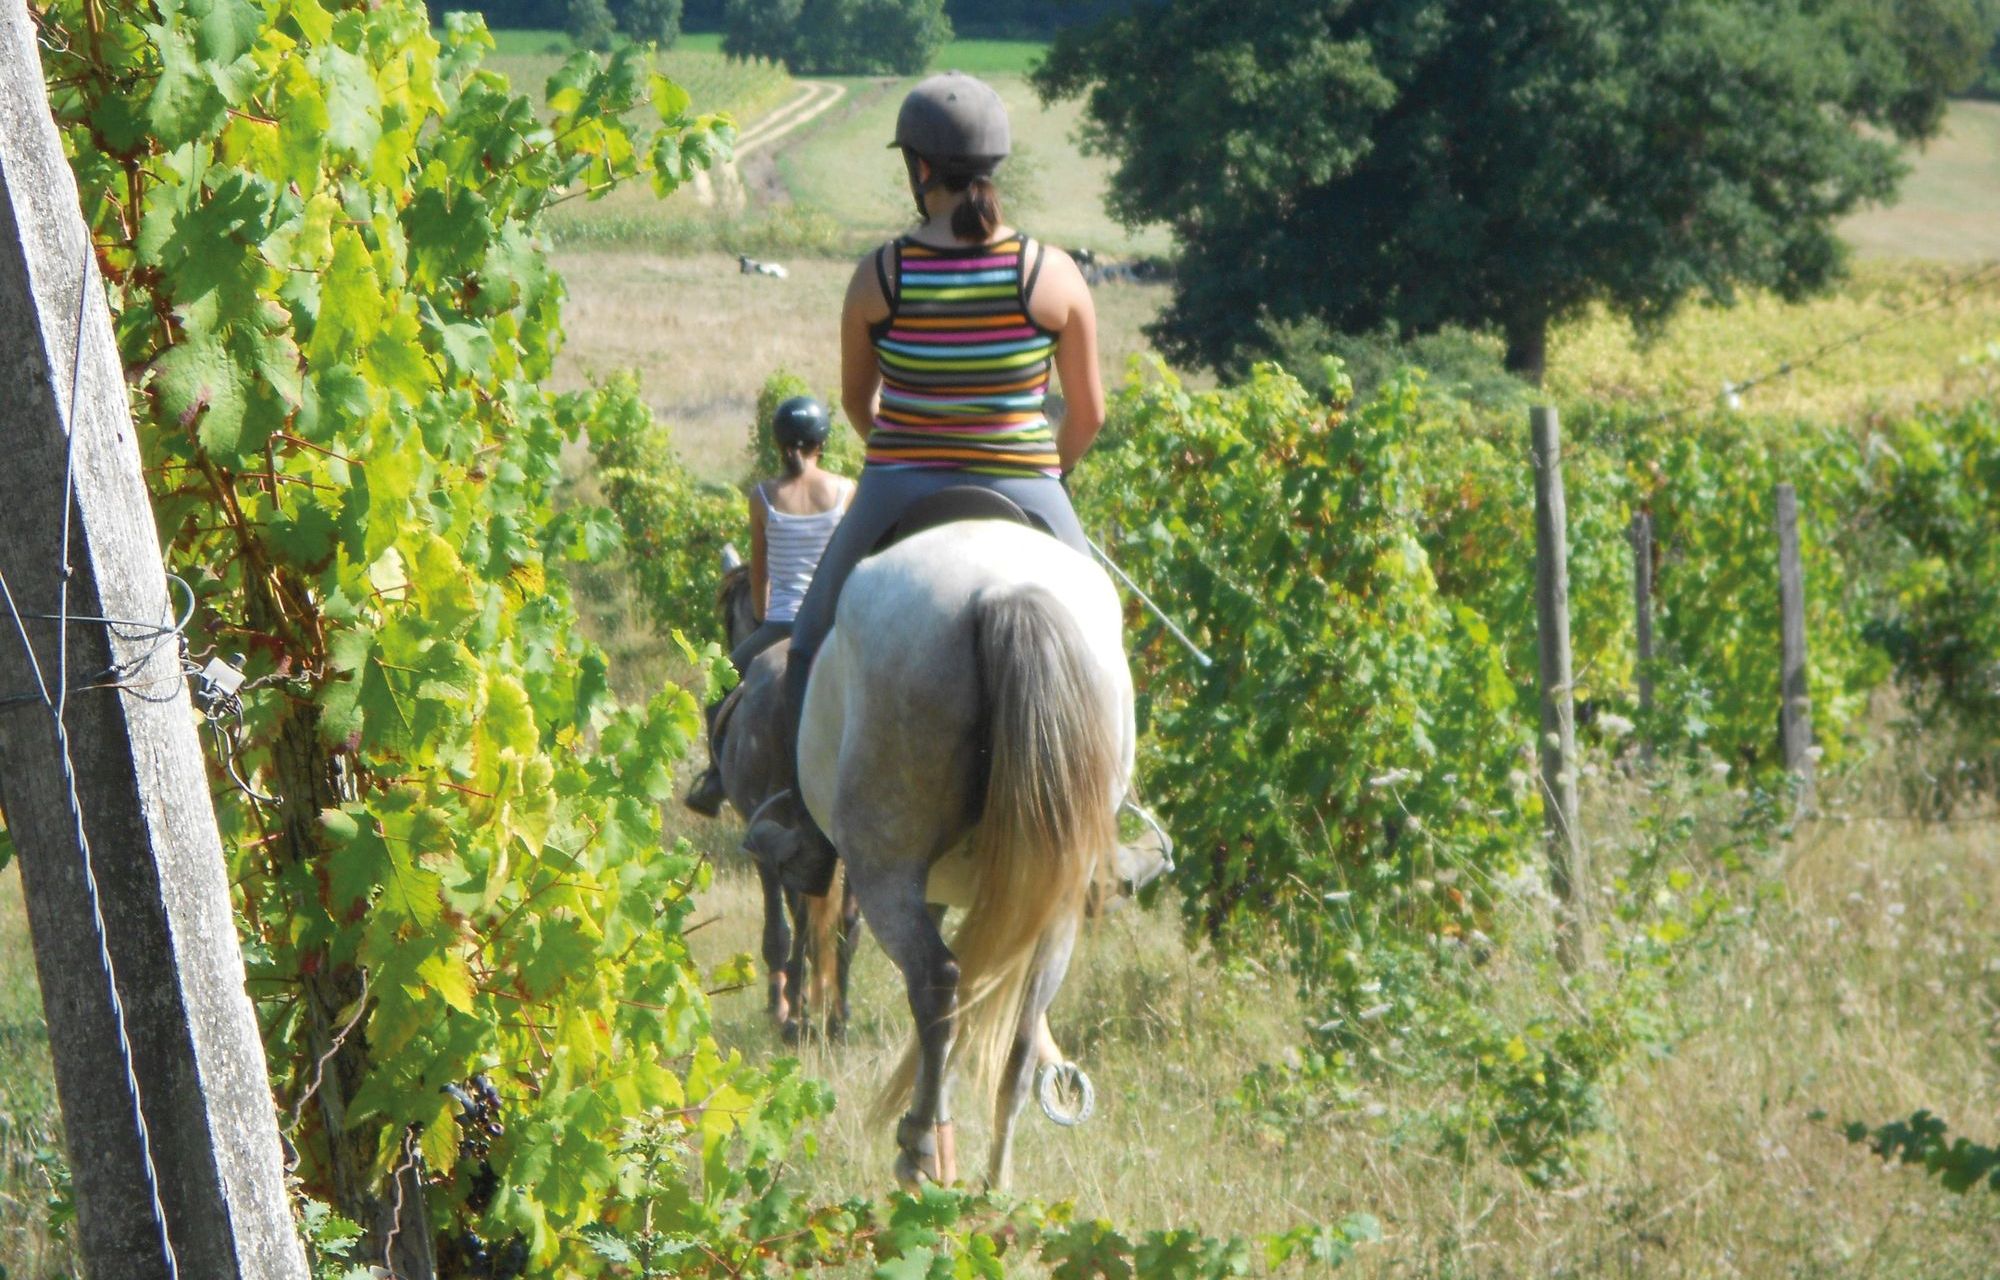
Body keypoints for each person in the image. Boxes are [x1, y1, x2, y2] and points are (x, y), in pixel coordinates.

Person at [768, 71, 1108, 890]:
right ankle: (1114, 831)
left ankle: (801, 828)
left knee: (810, 638)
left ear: (919, 169)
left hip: (899, 481)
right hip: (1027, 483)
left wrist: (905, 453)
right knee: (1102, 638)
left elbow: (857, 400)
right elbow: (1088, 412)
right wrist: (1039, 471)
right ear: (993, 167)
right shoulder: (1050, 275)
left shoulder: (881, 276)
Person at [685, 395, 855, 817]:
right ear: (823, 441)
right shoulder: (845, 491)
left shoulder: (763, 497)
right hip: (833, 623)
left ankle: (716, 780)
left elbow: (759, 574)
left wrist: (763, 617)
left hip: (781, 624)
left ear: (778, 442)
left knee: (717, 687)